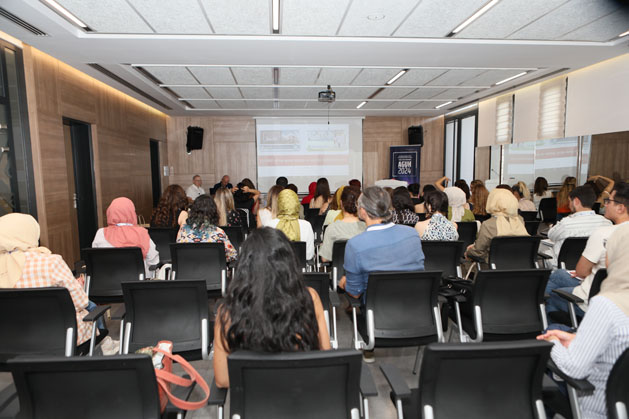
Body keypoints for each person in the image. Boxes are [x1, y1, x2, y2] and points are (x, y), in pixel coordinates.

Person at [213, 228, 330, 388]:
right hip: (302, 394)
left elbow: (222, 380)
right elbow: (325, 356)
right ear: (289, 262)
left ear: (244, 266)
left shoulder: (228, 311)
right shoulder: (310, 298)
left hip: (256, 400)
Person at [537, 222, 629, 419]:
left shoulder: (607, 305)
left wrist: (552, 342)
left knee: (547, 349)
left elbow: (574, 368)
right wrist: (578, 338)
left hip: (601, 408)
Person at [1, 213, 93, 345]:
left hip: (9, 341)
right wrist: (78, 287)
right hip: (59, 338)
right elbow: (81, 302)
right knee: (90, 308)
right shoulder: (50, 262)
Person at [545, 182, 629, 319]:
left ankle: (553, 328)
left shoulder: (603, 233)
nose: (605, 205)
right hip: (621, 301)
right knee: (559, 276)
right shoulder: (606, 224)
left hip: (593, 298)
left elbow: (581, 272)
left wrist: (591, 270)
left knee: (551, 291)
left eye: (609, 201)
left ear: (620, 208)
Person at [339, 186, 424, 300]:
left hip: (378, 308)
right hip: (416, 303)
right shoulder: (412, 234)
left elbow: (355, 292)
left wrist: (344, 283)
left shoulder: (355, 244)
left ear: (363, 211)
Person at [92, 197, 159, 278]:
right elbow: (153, 261)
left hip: (107, 281)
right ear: (132, 213)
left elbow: (95, 260)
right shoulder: (142, 233)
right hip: (137, 282)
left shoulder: (100, 233)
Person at [546, 185, 612, 267]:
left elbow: (551, 235)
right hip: (595, 269)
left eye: (570, 201)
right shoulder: (607, 223)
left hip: (565, 269)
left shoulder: (566, 223)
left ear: (576, 201)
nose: (569, 205)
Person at [465, 188, 528, 263]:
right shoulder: (520, 220)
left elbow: (478, 251)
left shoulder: (488, 224)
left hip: (495, 266)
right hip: (521, 264)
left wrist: (469, 251)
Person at [176, 195, 237, 263]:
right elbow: (232, 256)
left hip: (188, 268)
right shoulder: (219, 232)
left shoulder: (183, 231)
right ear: (214, 212)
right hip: (213, 268)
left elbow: (178, 254)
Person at [319, 186, 365, 262]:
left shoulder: (331, 228)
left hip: (339, 269)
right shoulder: (366, 228)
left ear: (341, 203)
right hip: (361, 269)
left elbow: (325, 259)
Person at [268, 189, 315, 260]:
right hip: (300, 266)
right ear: (296, 204)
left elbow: (268, 255)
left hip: (276, 266)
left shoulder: (270, 225)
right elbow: (309, 255)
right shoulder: (306, 225)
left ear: (279, 204)